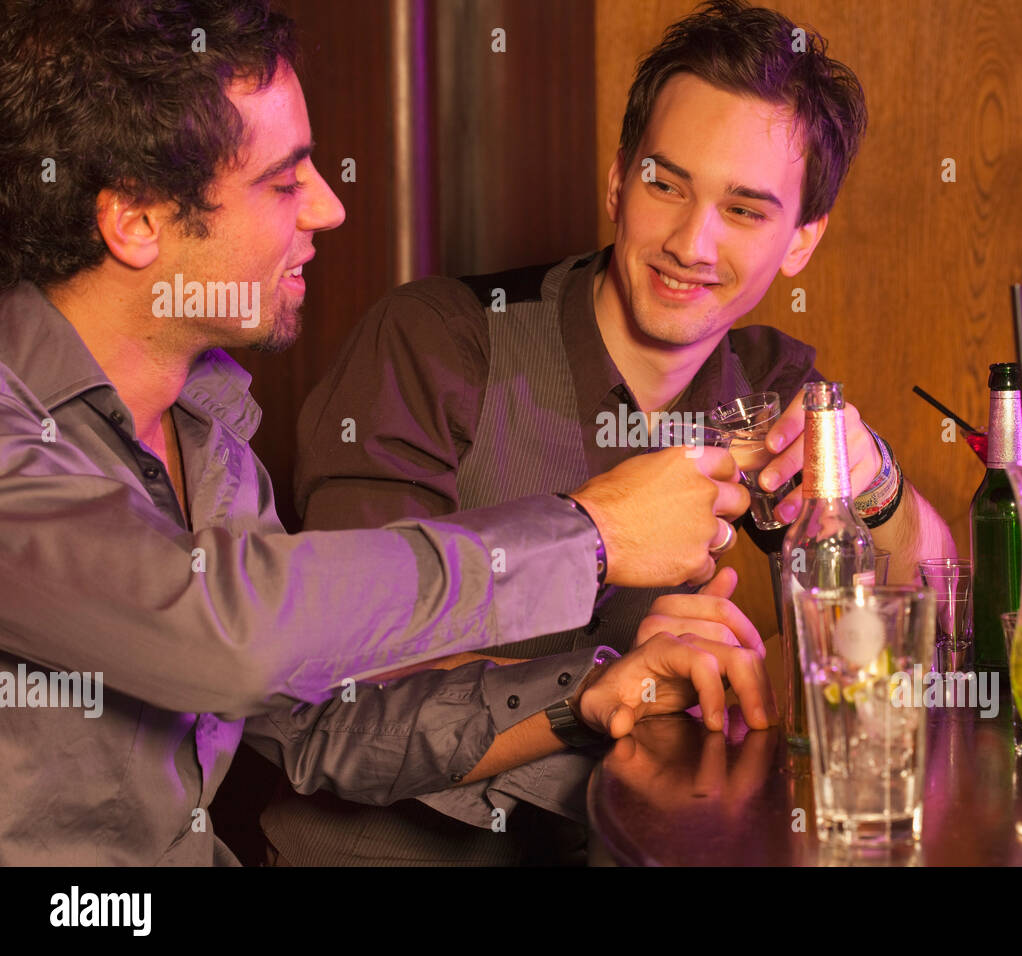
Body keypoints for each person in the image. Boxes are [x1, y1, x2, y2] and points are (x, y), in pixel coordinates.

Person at [0, 0, 774, 866]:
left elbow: (323, 725)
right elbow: (229, 630)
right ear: (136, 220)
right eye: (285, 180)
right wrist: (592, 535)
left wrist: (586, 695)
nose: (328, 209)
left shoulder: (208, 440)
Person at [261, 0, 956, 864]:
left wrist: (878, 483)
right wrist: (600, 677)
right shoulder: (439, 342)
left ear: (802, 240)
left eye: (744, 210)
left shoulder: (773, 386)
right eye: (666, 183)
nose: (691, 243)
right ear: (619, 178)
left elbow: (929, 600)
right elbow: (343, 678)